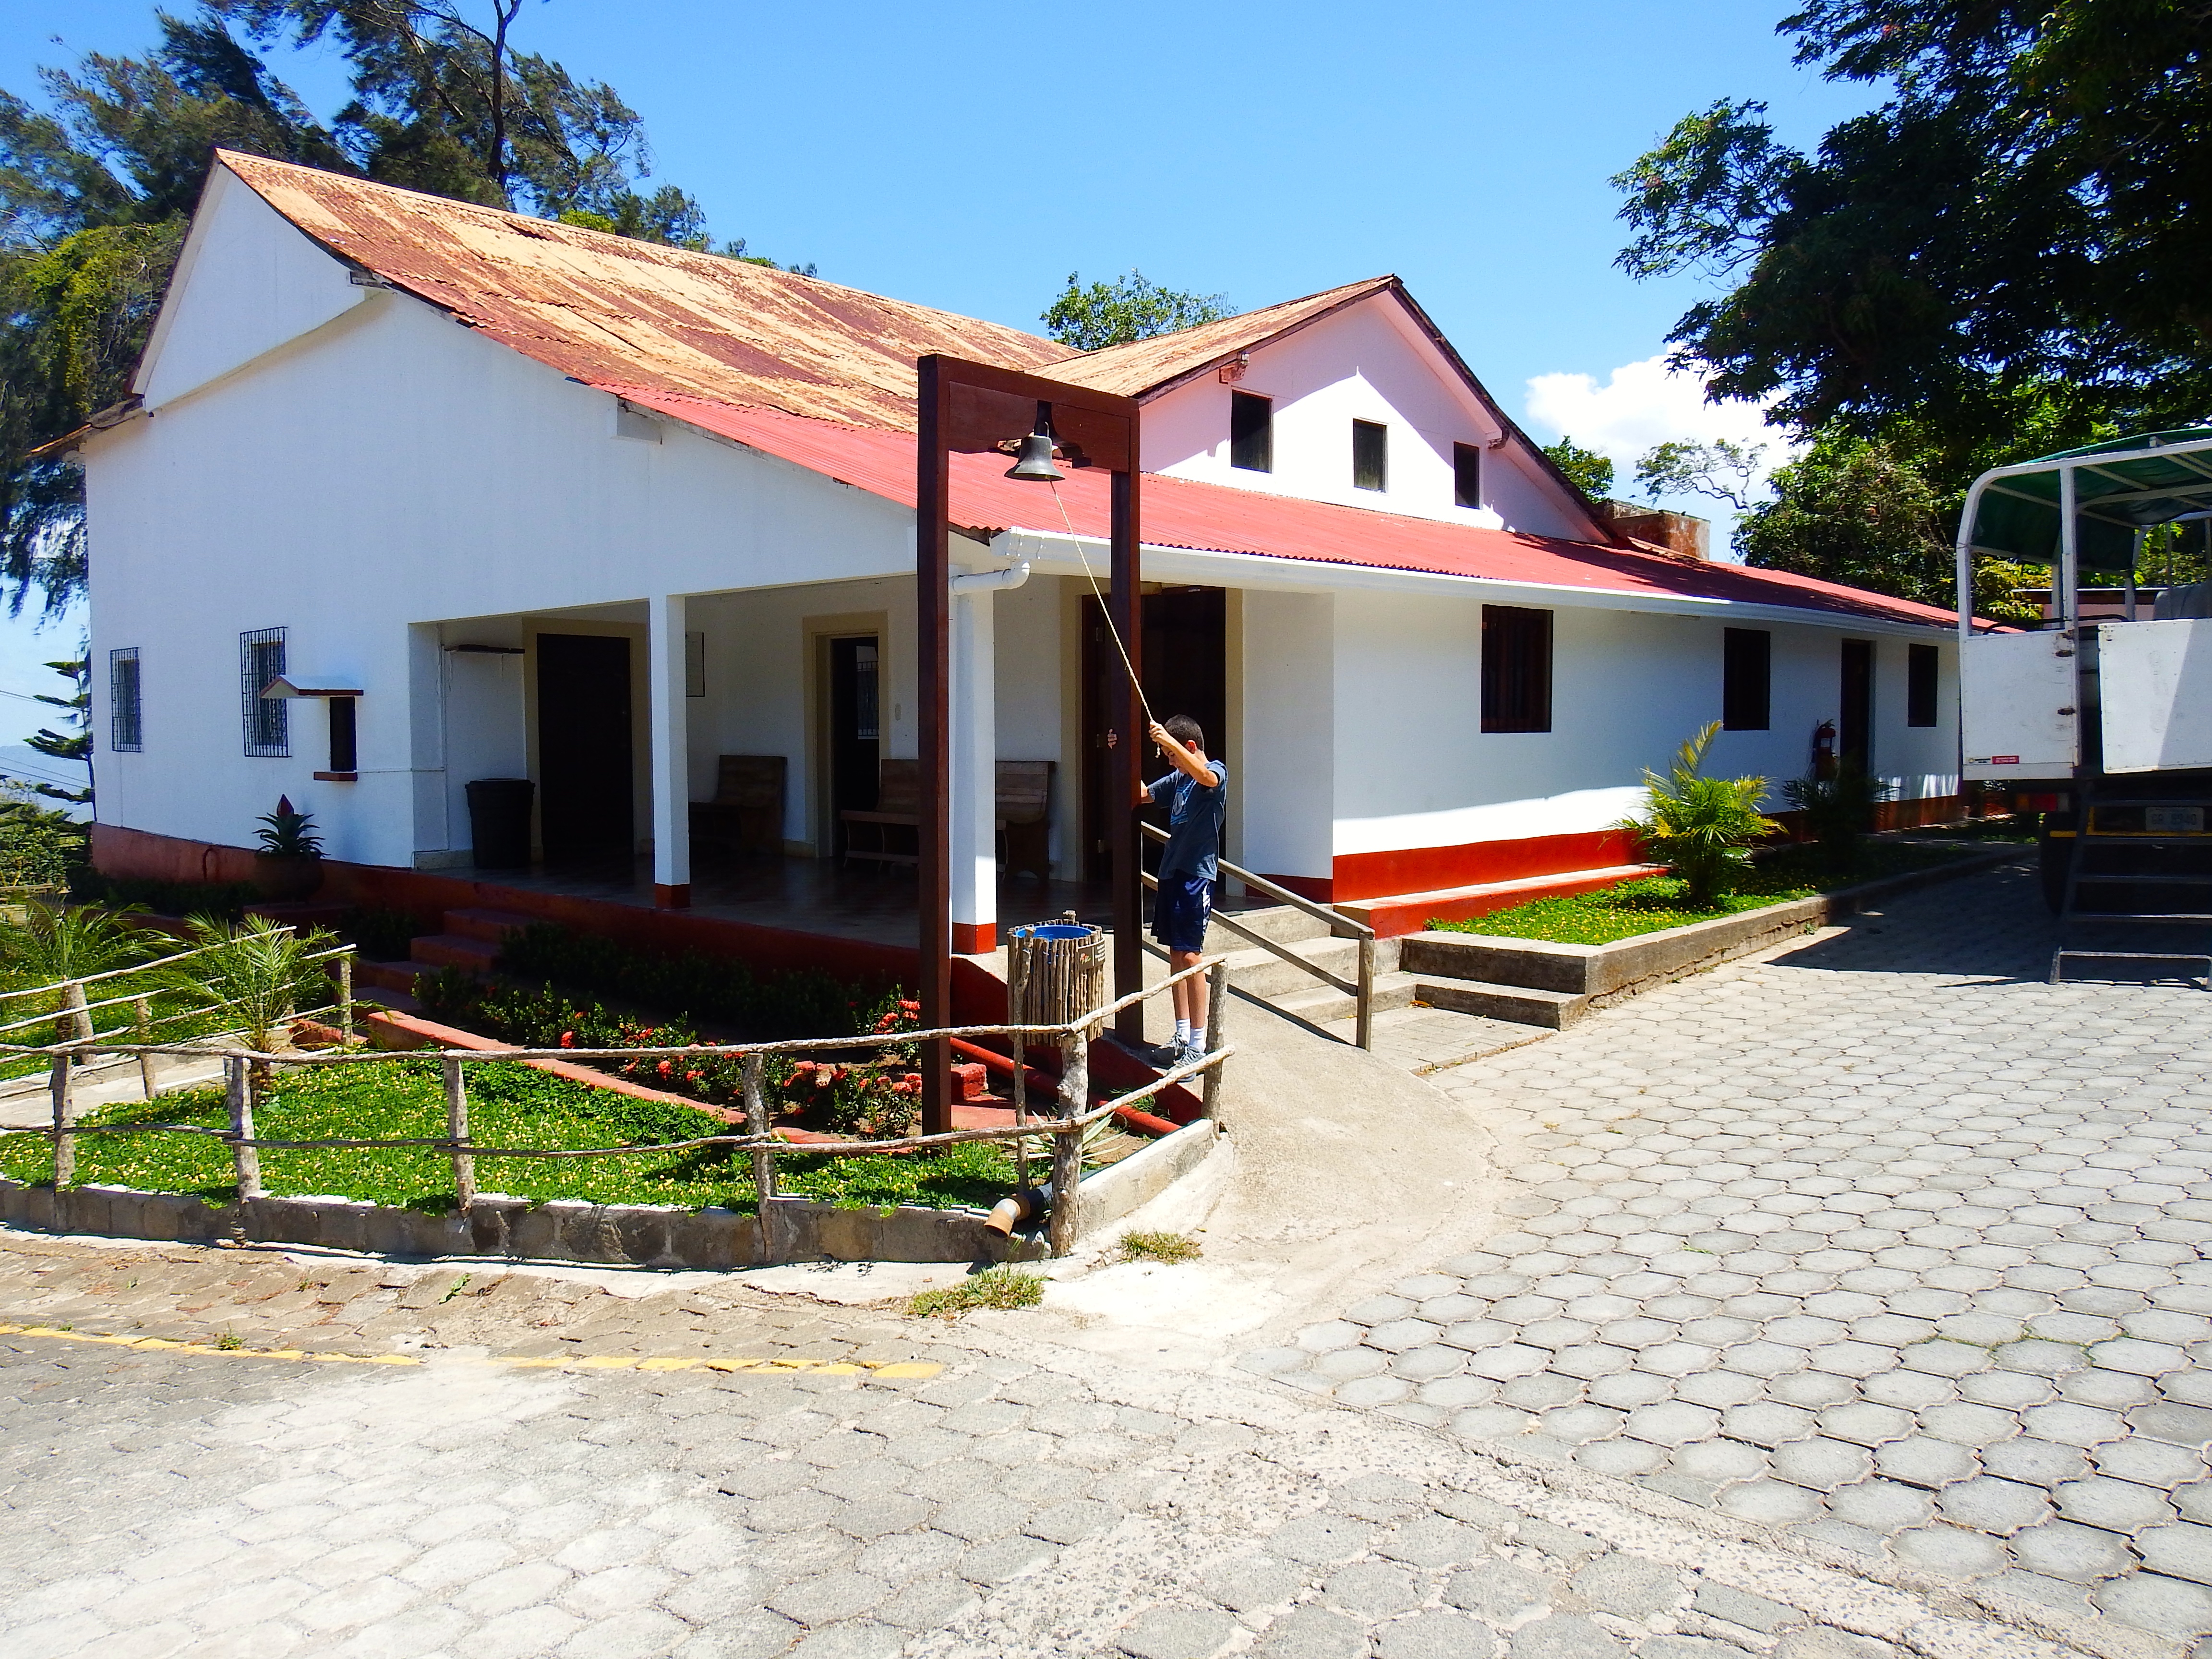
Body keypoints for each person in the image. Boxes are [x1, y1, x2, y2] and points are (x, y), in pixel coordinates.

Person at [1142, 714, 1227, 1066]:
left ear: (1189, 747)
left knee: (1191, 955)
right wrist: (1119, 753)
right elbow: (1143, 794)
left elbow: (1206, 775)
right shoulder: (1178, 779)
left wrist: (1172, 744)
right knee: (1176, 954)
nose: (1171, 761)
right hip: (1171, 872)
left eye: (1173, 754)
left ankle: (1198, 1044)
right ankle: (1181, 1034)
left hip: (1196, 874)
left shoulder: (1215, 772)